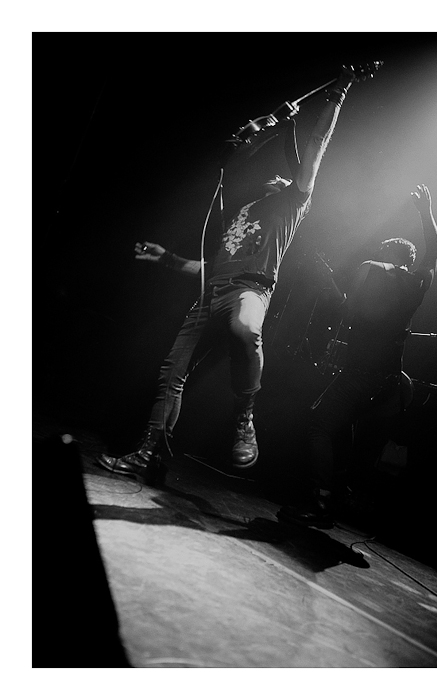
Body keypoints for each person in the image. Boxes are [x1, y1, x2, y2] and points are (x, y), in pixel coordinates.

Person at [96, 66, 358, 485]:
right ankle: (147, 453)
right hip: (210, 292)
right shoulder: (244, 211)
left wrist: (336, 94)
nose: (276, 176)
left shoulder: (293, 204)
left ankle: (245, 416)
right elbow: (210, 267)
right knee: (171, 373)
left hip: (250, 289)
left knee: (245, 326)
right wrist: (167, 259)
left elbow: (316, 144)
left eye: (286, 176)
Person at [278, 184, 437, 526]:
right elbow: (435, 252)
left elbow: (348, 313)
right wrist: (426, 212)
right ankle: (340, 495)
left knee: (319, 425)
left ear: (387, 255)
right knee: (345, 429)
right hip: (390, 382)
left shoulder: (371, 269)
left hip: (361, 373)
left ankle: (320, 502)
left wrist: (331, 293)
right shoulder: (419, 284)